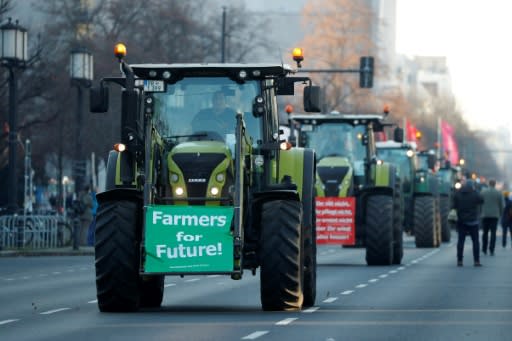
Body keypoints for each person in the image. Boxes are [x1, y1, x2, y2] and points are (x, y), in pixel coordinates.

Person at [452, 178, 484, 267]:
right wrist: (476, 190)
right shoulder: (474, 194)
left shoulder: (458, 193)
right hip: (473, 221)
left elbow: (454, 205)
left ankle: (459, 260)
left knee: (461, 241)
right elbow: (481, 200)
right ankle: (476, 261)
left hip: (461, 221)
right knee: (475, 242)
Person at [480, 179, 503, 256]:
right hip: (494, 215)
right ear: (495, 184)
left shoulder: (483, 192)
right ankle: (491, 249)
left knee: (485, 233)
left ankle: (484, 248)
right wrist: (501, 214)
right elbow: (501, 205)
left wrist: (480, 212)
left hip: (485, 215)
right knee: (493, 233)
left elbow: (480, 202)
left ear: (489, 184)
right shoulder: (498, 193)